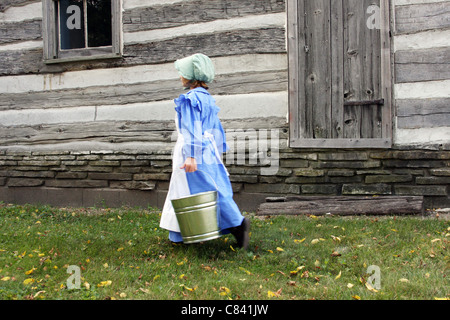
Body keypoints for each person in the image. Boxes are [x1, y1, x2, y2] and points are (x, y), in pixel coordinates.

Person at [160, 53, 250, 249]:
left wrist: (192, 155)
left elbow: (192, 128)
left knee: (199, 191)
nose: (180, 77)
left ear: (192, 76)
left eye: (182, 73)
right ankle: (183, 234)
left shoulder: (190, 99)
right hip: (207, 150)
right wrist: (217, 150)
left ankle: (237, 224)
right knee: (204, 188)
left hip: (193, 151)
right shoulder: (207, 99)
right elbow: (216, 127)